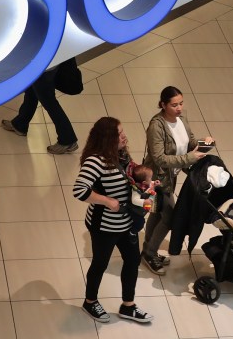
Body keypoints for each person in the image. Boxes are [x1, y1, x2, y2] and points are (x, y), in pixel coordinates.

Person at [72, 116, 153, 324]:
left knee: (133, 260)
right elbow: (79, 191)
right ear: (108, 138)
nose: (124, 136)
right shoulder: (95, 161)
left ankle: (128, 306)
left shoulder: (121, 154)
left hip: (126, 222)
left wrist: (144, 187)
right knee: (100, 263)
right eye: (119, 133)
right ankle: (90, 301)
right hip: (104, 225)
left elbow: (130, 179)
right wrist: (107, 200)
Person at [140, 86, 214, 274]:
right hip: (157, 180)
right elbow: (159, 158)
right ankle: (149, 253)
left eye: (181, 103)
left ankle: (147, 252)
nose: (179, 108)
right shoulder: (156, 126)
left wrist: (205, 144)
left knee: (157, 214)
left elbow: (190, 143)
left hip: (170, 177)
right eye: (174, 105)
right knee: (170, 217)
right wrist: (190, 158)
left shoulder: (181, 120)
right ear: (163, 105)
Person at [1, 66, 78, 154]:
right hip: (41, 65)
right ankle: (20, 124)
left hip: (43, 67)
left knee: (49, 101)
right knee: (31, 91)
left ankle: (67, 139)